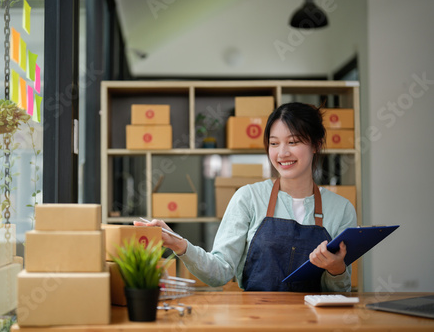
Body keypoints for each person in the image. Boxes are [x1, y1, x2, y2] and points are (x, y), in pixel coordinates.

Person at [135, 102, 357, 292]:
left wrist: (337, 270)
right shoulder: (248, 198)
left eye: (293, 142)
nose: (282, 153)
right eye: (273, 143)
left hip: (314, 324)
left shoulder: (342, 209)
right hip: (255, 319)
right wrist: (178, 243)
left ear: (316, 144)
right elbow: (220, 272)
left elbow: (340, 292)